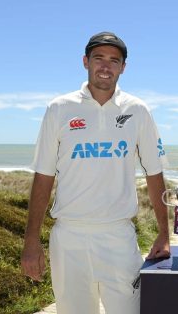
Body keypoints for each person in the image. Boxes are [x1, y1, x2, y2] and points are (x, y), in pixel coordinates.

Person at [21, 31, 170, 314]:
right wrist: (31, 242)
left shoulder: (138, 110)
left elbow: (154, 174)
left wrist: (164, 233)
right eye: (99, 58)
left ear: (123, 67)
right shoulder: (59, 108)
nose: (106, 66)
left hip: (118, 235)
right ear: (85, 62)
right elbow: (43, 176)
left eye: (114, 61)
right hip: (69, 237)